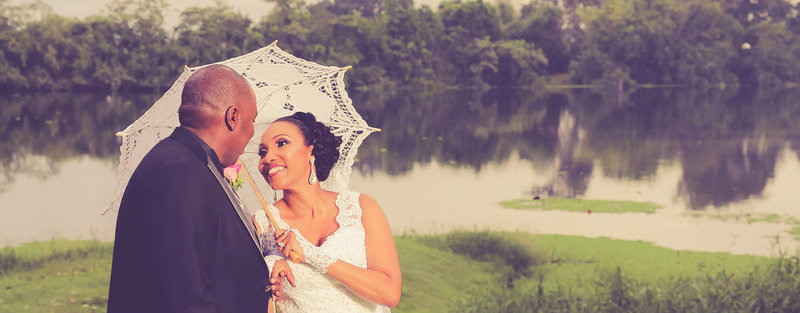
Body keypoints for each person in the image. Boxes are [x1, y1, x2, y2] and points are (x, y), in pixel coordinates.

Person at [108, 64, 279, 312]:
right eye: (252, 121)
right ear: (233, 117)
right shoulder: (178, 173)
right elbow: (186, 294)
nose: (252, 133)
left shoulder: (194, 163)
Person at [252, 112, 402, 313]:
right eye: (262, 152)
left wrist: (310, 253)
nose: (268, 157)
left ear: (311, 152)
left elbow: (390, 294)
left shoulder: (361, 208)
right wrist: (268, 268)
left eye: (282, 143)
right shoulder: (261, 225)